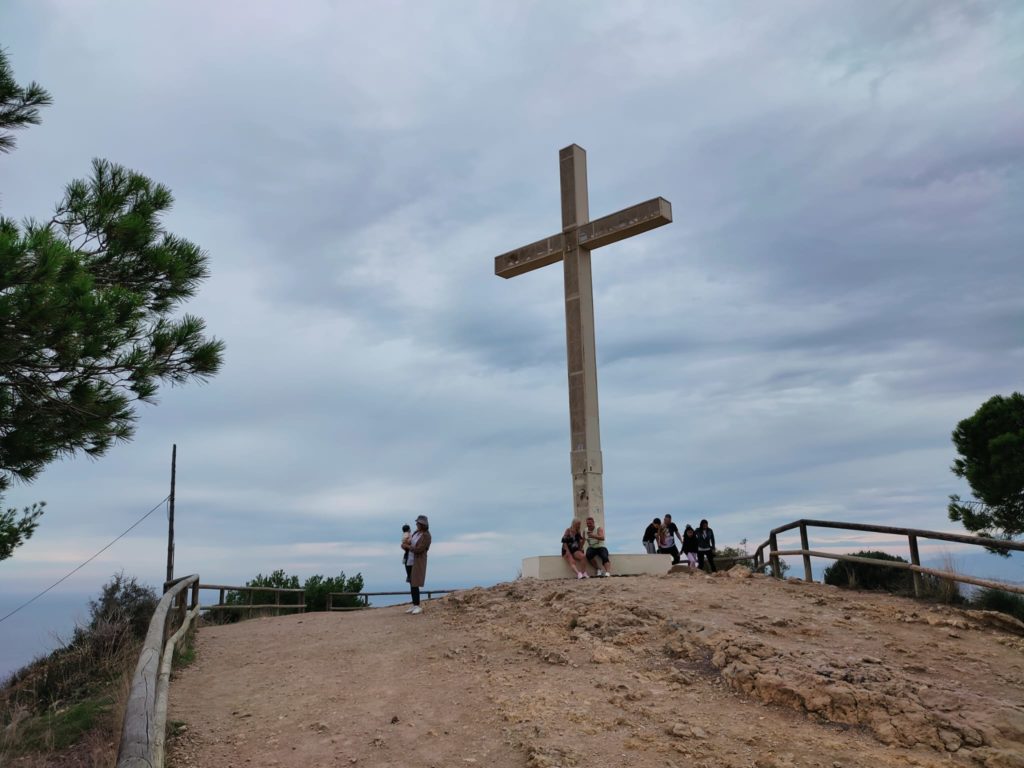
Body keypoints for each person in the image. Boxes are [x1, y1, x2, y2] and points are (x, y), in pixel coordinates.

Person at [402, 515, 431, 614]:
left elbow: (419, 549)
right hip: (409, 560)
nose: (416, 524)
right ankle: (414, 604)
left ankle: (417, 605)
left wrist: (408, 546)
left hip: (417, 561)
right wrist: (405, 546)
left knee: (415, 583)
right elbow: (410, 544)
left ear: (423, 524)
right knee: (411, 583)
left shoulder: (426, 536)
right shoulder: (415, 532)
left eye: (418, 523)